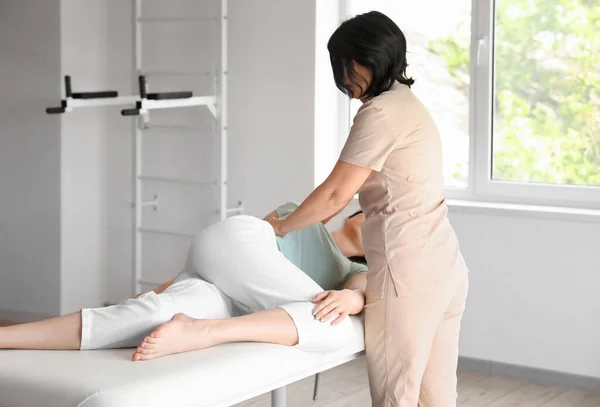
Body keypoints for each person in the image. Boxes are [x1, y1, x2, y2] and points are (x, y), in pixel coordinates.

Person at [265, 11, 469, 407]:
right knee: (436, 399)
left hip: (406, 275)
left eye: (344, 66)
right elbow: (340, 199)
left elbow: (336, 194)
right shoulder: (408, 104)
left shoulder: (380, 113)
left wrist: (282, 227)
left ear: (368, 59)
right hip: (445, 268)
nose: (343, 78)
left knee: (396, 398)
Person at [0, 204, 368, 361]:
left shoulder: (350, 272)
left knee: (153, 313)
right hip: (233, 246)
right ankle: (205, 331)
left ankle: (5, 337)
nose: (376, 223)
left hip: (232, 298)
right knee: (332, 328)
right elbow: (241, 248)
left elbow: (360, 293)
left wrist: (353, 301)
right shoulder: (307, 215)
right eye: (372, 214)